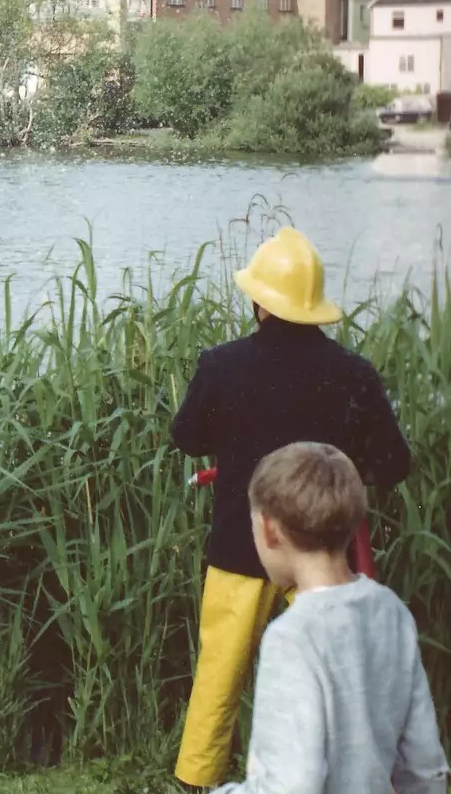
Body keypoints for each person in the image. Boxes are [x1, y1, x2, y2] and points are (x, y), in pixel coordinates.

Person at [171, 227, 413, 789]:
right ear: (313, 305)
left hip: (240, 543)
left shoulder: (221, 365)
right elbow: (394, 464)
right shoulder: (355, 375)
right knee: (334, 677)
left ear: (259, 302)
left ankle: (195, 781)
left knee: (218, 677)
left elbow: (186, 436)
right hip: (323, 552)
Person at [212, 442, 447, 793]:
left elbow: (290, 786)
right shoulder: (391, 612)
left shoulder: (291, 637)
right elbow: (425, 768)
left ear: (270, 529)